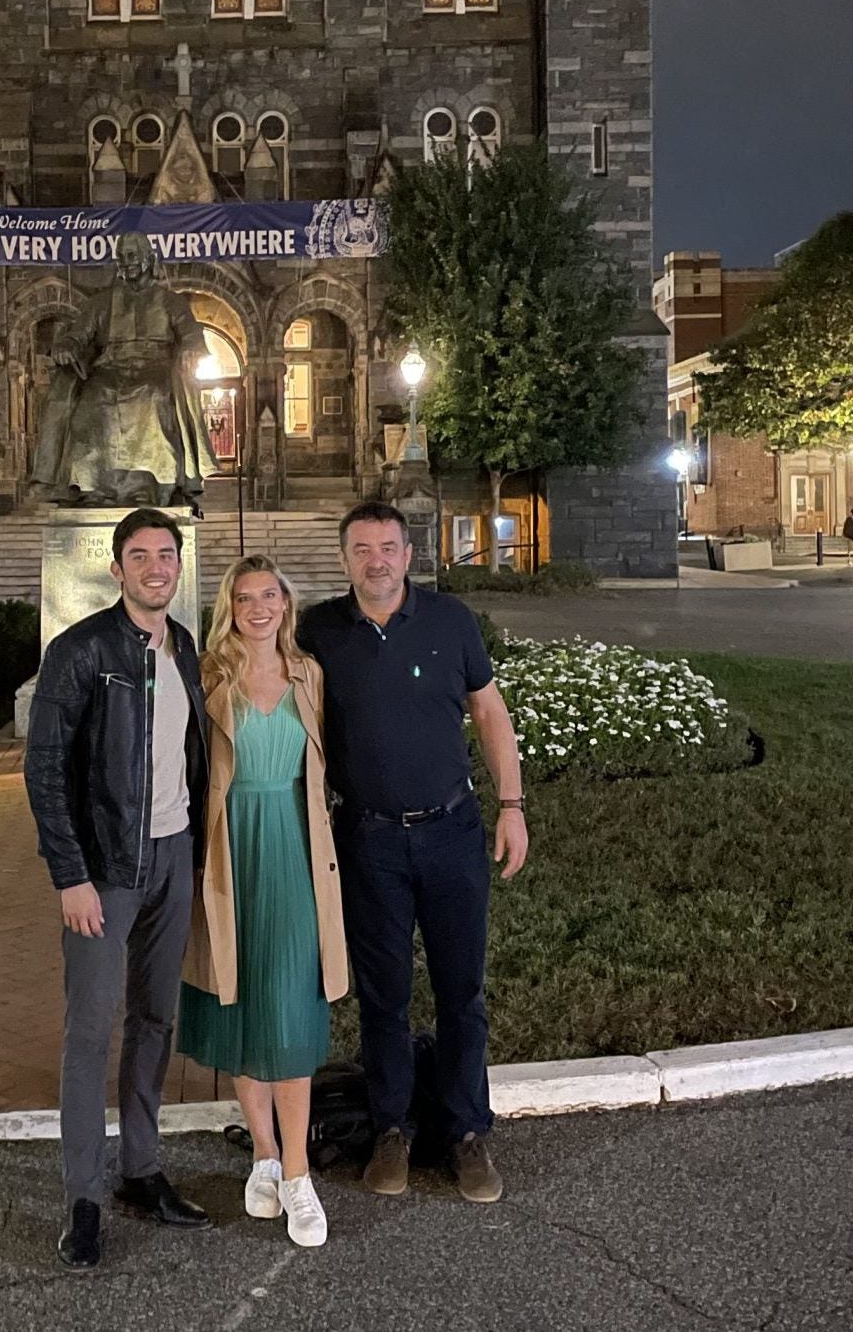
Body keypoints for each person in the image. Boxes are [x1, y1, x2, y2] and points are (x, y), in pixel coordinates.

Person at [299, 500, 528, 1206]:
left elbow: (490, 712)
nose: (377, 559)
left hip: (451, 833)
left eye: (389, 547)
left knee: (463, 992)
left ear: (409, 553)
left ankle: (466, 1134)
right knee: (384, 997)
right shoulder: (316, 633)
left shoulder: (450, 622)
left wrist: (512, 807)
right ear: (345, 559)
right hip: (366, 840)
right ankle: (391, 1128)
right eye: (363, 548)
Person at [24, 508, 211, 1272]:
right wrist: (70, 875)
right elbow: (44, 771)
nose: (156, 567)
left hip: (173, 856)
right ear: (118, 568)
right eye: (141, 557)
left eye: (167, 555)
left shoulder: (184, 646)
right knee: (90, 1032)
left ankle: (140, 1169)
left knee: (155, 1019)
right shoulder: (81, 651)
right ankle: (83, 1198)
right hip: (104, 869)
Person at [179, 555, 349, 1250]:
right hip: (228, 851)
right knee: (245, 1000)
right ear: (230, 606)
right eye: (244, 597)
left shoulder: (309, 675)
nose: (258, 608)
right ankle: (265, 1155)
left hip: (295, 848)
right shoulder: (209, 678)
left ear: (287, 602)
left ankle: (300, 1176)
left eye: (269, 595)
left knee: (288, 1002)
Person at [30, 231, 217, 509]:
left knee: (151, 398)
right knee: (92, 402)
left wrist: (190, 350)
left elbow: (191, 335)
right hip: (109, 368)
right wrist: (66, 344)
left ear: (147, 258)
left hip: (157, 367)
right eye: (121, 256)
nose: (126, 261)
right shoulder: (100, 303)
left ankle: (150, 485)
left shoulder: (171, 301)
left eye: (131, 255)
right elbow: (79, 334)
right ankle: (92, 486)